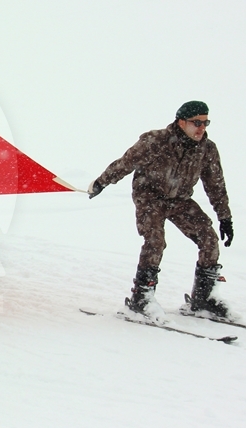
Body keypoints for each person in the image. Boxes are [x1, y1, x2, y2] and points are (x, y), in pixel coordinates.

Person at [87, 101, 235, 321]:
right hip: (150, 197)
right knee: (155, 241)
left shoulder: (207, 149)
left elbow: (216, 185)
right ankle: (141, 299)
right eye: (197, 122)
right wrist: (101, 182)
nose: (202, 128)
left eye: (206, 123)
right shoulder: (155, 141)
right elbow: (126, 163)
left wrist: (225, 217)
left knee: (208, 237)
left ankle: (203, 298)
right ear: (181, 121)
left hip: (180, 200)